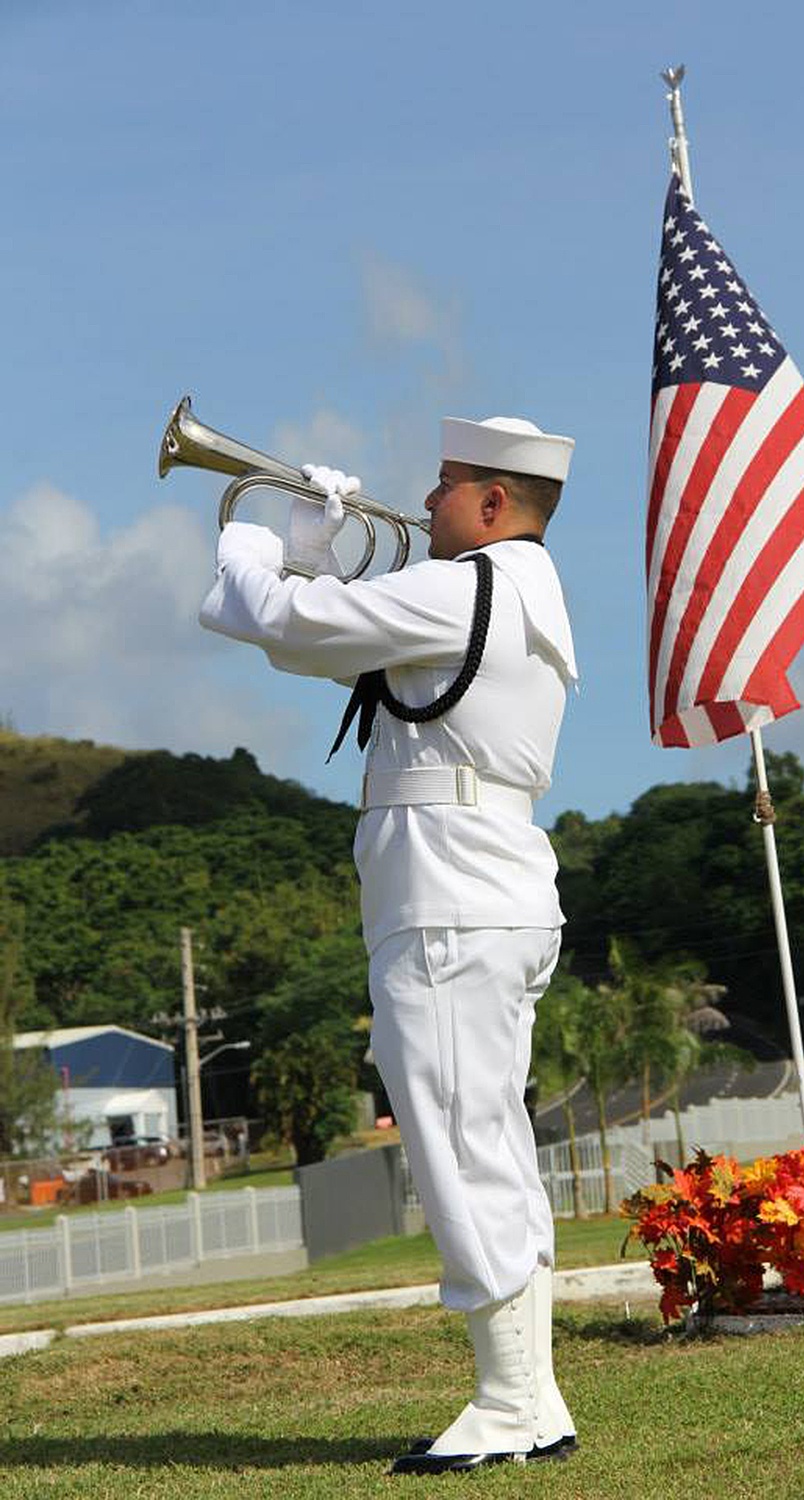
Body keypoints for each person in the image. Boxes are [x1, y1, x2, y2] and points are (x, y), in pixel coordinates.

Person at [199, 414, 578, 1475]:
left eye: (446, 485)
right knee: (487, 1146)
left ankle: (508, 1404)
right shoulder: (517, 590)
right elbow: (316, 642)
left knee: (460, 1151)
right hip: (480, 894)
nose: (422, 505)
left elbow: (259, 613)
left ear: (494, 503)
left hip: (450, 903)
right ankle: (529, 1399)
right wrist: (314, 552)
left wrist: (267, 537)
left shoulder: (464, 588)